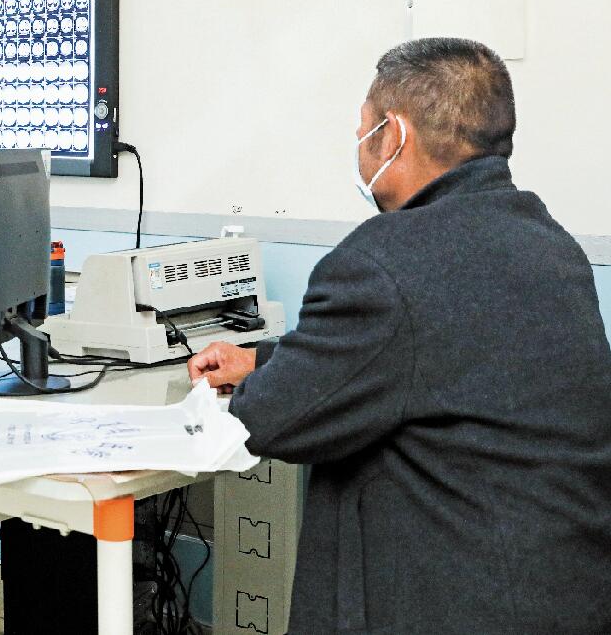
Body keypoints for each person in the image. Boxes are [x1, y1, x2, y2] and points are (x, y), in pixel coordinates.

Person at [189, 37, 611, 633]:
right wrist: (264, 359)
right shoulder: (549, 244)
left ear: (393, 136)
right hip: (562, 589)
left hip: (450, 600)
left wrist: (262, 384)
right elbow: (438, 354)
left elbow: (272, 418)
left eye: (363, 129)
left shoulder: (382, 260)